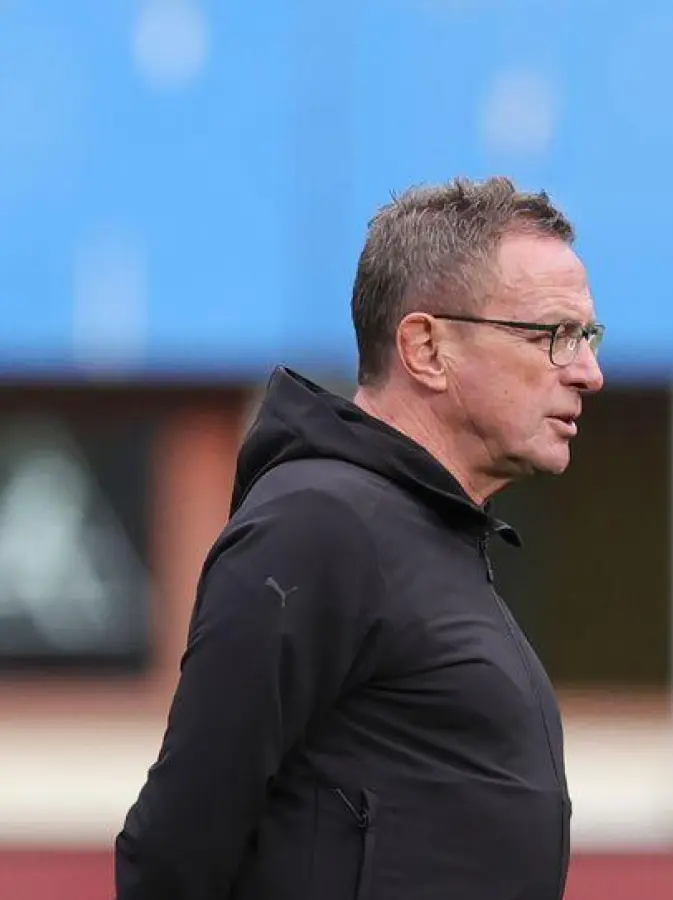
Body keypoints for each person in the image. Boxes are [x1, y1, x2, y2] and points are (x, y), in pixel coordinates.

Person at [114, 176, 605, 900]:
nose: (588, 373)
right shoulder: (318, 526)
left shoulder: (428, 536)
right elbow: (173, 850)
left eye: (587, 337)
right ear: (425, 347)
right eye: (553, 336)